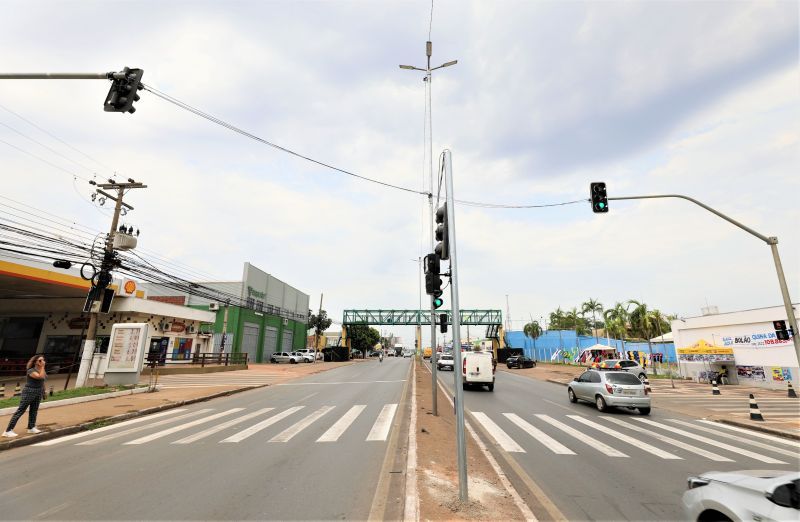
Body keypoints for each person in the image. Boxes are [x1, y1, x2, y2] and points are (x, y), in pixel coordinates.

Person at [3, 355, 47, 438]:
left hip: (38, 391)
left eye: (43, 360)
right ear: (35, 362)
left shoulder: (41, 369)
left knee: (34, 410)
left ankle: (31, 427)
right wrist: (43, 367)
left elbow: (43, 380)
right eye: (40, 360)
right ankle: (8, 430)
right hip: (29, 391)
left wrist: (44, 391)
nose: (42, 362)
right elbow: (39, 377)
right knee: (21, 410)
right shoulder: (31, 370)